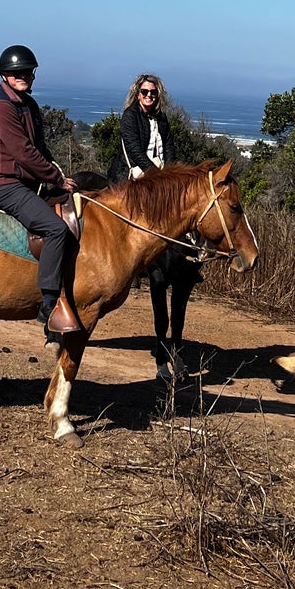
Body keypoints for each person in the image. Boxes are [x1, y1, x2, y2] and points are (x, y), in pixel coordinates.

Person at [0, 44, 78, 337]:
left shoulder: (29, 105)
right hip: (5, 185)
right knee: (56, 229)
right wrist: (55, 179)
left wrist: (58, 175)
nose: (24, 76)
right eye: (17, 72)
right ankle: (49, 303)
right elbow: (23, 153)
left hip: (29, 183)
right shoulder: (1, 107)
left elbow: (40, 148)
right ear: (5, 75)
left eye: (28, 72)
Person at [115, 73, 201, 369]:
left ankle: (190, 262)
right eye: (144, 92)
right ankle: (136, 263)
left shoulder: (163, 120)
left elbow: (172, 151)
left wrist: (175, 177)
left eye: (153, 93)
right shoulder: (129, 117)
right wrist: (160, 177)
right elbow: (135, 151)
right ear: (137, 94)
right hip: (136, 175)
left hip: (161, 177)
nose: (149, 96)